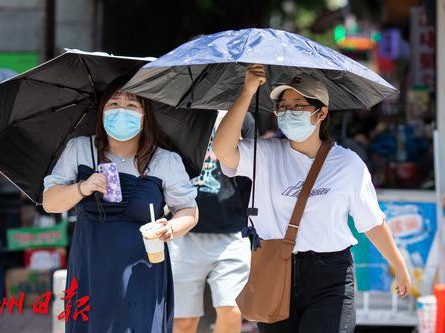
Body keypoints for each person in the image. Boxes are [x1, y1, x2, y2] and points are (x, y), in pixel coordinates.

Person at [213, 64, 412, 333]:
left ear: (322, 112)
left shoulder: (347, 164)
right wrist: (247, 92)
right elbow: (222, 149)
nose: (288, 112)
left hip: (331, 275)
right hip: (275, 271)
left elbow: (371, 221)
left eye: (298, 105)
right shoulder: (265, 154)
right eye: (283, 106)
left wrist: (398, 265)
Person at [42, 77, 198, 333]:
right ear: (101, 112)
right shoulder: (81, 149)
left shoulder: (165, 160)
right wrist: (82, 187)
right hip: (91, 269)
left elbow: (189, 211)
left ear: (145, 115)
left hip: (144, 270)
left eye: (132, 105)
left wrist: (171, 228)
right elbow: (50, 202)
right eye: (114, 104)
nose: (122, 111)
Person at [170, 112, 254, 333]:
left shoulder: (242, 116)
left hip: (231, 231)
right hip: (183, 231)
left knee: (232, 310)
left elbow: (253, 168)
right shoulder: (182, 113)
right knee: (184, 321)